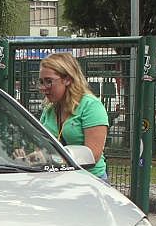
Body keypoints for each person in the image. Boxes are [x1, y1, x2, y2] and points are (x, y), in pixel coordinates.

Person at [38, 52, 109, 180]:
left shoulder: (91, 106)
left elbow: (93, 155)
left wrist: (50, 158)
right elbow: (43, 149)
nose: (43, 88)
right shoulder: (49, 109)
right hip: (57, 178)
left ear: (67, 79)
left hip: (89, 180)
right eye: (41, 82)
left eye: (49, 81)